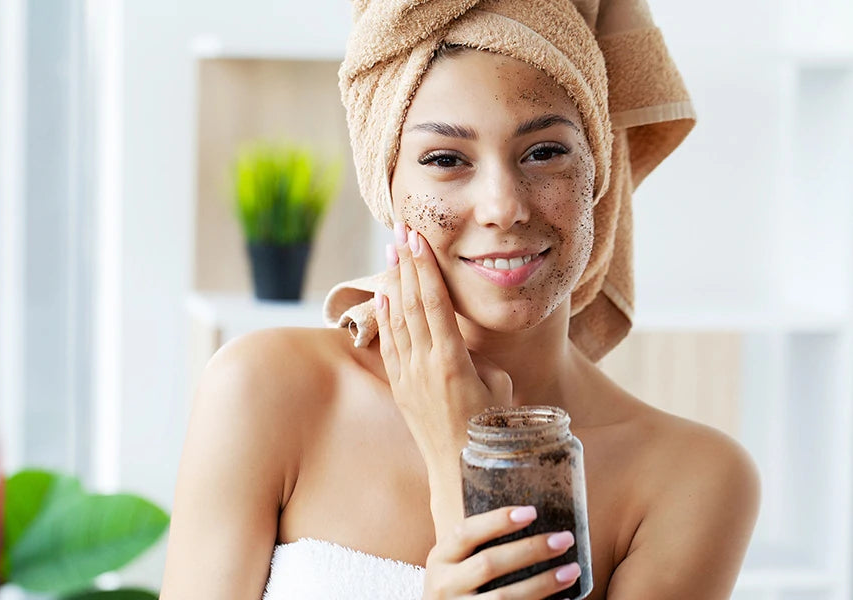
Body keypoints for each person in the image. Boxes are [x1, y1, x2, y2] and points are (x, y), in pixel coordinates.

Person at [160, 1, 761, 598]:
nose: (503, 206)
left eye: (546, 151)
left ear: (597, 167)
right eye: (446, 160)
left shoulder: (692, 480)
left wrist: (465, 459)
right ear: (386, 184)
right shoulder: (267, 390)